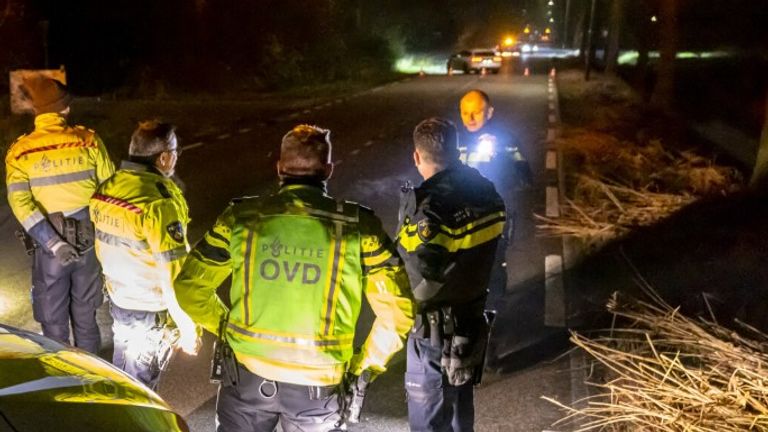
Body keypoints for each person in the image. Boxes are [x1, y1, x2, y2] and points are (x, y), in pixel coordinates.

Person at [174, 124, 415, 432]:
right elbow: (398, 314)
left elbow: (189, 287)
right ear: (328, 170)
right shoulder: (358, 228)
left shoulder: (242, 218)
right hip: (319, 387)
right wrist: (364, 366)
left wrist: (227, 329)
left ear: (279, 168)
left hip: (246, 375)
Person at [398, 118, 506, 432]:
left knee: (430, 422)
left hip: (434, 336)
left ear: (417, 157)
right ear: (457, 150)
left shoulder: (430, 209)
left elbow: (421, 285)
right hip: (469, 324)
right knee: (460, 414)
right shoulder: (486, 191)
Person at [5, 76, 115, 354]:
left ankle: (62, 381)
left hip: (50, 247)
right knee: (86, 317)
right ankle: (90, 378)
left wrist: (53, 243)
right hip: (90, 243)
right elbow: (109, 189)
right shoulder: (88, 141)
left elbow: (20, 204)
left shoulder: (20, 152)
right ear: (64, 109)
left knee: (53, 322)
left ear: (36, 112)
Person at [89, 120, 200, 390]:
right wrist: (187, 327)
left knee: (122, 381)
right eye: (175, 151)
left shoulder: (108, 188)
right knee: (141, 394)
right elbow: (171, 273)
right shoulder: (158, 202)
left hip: (121, 303)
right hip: (150, 311)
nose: (176, 157)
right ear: (163, 157)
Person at [457, 89, 532, 188]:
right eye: (465, 113)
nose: (470, 118)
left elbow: (524, 180)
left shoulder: (506, 140)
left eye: (476, 112)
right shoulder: (452, 140)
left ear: (489, 113)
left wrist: (500, 152)